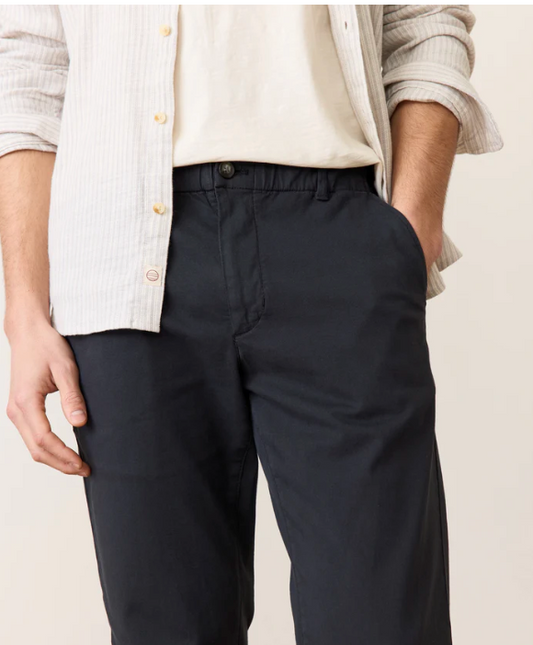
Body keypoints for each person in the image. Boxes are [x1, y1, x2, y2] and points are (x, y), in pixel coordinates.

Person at [0, 5, 502, 645]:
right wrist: (24, 306)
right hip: (124, 263)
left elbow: (425, 22)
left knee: (381, 619)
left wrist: (411, 231)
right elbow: (31, 68)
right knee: (166, 627)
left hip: (335, 239)